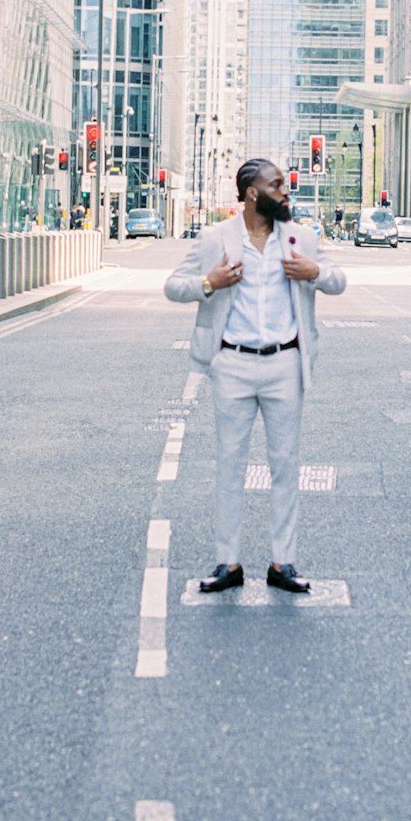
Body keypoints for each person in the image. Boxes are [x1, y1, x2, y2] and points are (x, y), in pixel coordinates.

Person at [164, 158, 347, 594]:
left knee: (286, 465)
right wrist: (209, 282)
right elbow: (174, 285)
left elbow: (339, 281)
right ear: (252, 193)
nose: (286, 192)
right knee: (230, 465)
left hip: (285, 363)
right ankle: (228, 563)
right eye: (277, 185)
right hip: (232, 364)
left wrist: (315, 273)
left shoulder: (302, 237)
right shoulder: (215, 239)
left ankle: (282, 562)